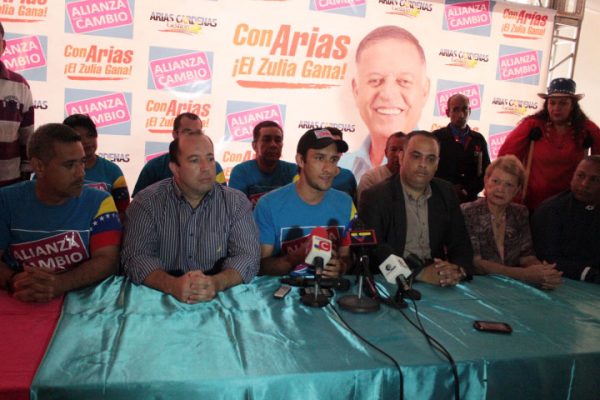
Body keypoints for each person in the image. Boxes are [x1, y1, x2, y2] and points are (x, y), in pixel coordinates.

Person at [122, 131, 260, 303]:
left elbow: (248, 256)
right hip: (159, 300)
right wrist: (171, 285)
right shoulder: (146, 202)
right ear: (175, 168)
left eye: (210, 158)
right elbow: (136, 257)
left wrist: (216, 283)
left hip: (218, 300)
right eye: (195, 160)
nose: (206, 167)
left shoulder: (236, 202)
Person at [0, 123, 121, 302]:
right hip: (20, 301)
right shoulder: (5, 200)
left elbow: (108, 261)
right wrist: (15, 280)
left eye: (82, 162)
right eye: (70, 165)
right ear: (39, 166)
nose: (81, 173)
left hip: (86, 307)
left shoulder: (101, 202)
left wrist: (60, 284)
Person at [359, 131, 472, 287]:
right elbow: (372, 251)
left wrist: (458, 270)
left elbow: (461, 242)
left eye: (430, 159)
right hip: (392, 283)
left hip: (439, 279)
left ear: (437, 164)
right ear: (401, 157)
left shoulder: (446, 192)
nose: (423, 164)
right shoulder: (375, 197)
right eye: (416, 156)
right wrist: (419, 273)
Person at [254, 128, 354, 277]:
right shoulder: (268, 205)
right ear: (300, 160)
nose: (329, 169)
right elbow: (260, 267)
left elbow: (347, 256)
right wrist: (295, 257)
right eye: (319, 158)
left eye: (333, 159)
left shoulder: (346, 202)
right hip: (281, 290)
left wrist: (341, 266)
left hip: (330, 290)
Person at [498, 78, 600, 210]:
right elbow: (506, 160)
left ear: (572, 106)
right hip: (531, 202)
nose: (556, 108)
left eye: (563, 103)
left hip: (569, 204)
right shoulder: (532, 125)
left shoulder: (586, 129)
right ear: (547, 105)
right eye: (552, 103)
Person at [461, 155, 561, 289]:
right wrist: (524, 274)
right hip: (477, 287)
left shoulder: (520, 213)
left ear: (517, 190)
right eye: (495, 181)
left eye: (509, 185)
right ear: (486, 180)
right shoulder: (467, 211)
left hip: (512, 287)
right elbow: (476, 263)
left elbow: (527, 256)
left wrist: (543, 272)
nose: (500, 189)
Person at [348, 25, 430, 180]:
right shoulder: (338, 170)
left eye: (404, 81)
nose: (388, 94)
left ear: (425, 91)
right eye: (375, 80)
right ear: (356, 90)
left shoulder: (441, 171)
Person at [532, 156, 600, 284]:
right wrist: (590, 274)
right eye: (580, 176)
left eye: (594, 179)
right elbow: (548, 258)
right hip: (561, 282)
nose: (584, 184)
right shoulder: (551, 210)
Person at [132, 112, 226, 196]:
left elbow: (223, 198)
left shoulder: (216, 168)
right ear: (174, 134)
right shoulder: (153, 167)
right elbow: (139, 200)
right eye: (187, 132)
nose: (193, 137)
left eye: (198, 132)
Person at [63, 114, 130, 221]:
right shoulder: (57, 170)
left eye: (90, 135)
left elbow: (123, 211)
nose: (86, 141)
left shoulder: (113, 171)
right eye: (79, 138)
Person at [434, 94, 490, 203]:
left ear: (470, 111)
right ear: (447, 113)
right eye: (456, 109)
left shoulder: (478, 140)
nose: (461, 114)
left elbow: (486, 172)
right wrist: (448, 189)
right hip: (441, 199)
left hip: (470, 201)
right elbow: (430, 170)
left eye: (464, 109)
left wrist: (466, 191)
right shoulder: (436, 138)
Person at [228, 120, 296, 206]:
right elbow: (235, 209)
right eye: (267, 140)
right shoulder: (241, 172)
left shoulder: (293, 171)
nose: (273, 145)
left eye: (278, 140)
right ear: (254, 145)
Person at [0, 21, 35, 187]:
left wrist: (24, 178)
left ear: (3, 46)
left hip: (8, 184)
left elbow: (27, 136)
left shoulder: (20, 85)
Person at [357, 131, 406, 202]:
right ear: (386, 153)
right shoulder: (370, 178)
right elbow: (364, 206)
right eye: (393, 150)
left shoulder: (414, 180)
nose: (398, 155)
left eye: (402, 150)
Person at [327, 127, 357, 199]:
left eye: (338, 146)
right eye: (328, 146)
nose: (333, 151)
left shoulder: (348, 176)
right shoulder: (307, 176)